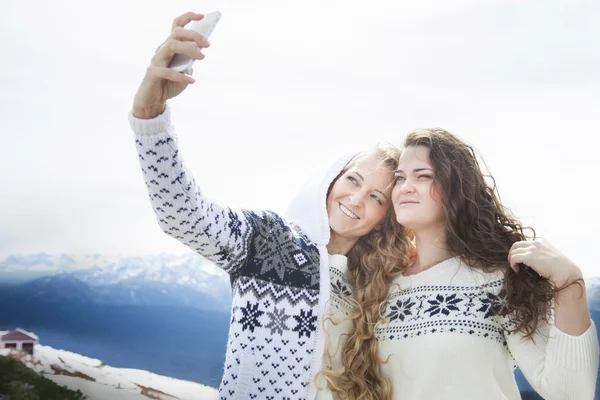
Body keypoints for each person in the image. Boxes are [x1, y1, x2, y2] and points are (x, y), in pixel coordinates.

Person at [128, 11, 412, 400]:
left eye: (377, 198)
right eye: (353, 180)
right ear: (332, 178)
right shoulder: (267, 240)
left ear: (386, 217)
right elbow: (181, 212)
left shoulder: (378, 284)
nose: (356, 200)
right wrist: (150, 118)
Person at [316, 128, 599, 399]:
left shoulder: (499, 279)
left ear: (455, 186)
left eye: (422, 176)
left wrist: (570, 284)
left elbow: (570, 393)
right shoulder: (378, 286)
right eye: (400, 178)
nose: (405, 187)